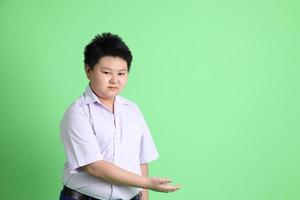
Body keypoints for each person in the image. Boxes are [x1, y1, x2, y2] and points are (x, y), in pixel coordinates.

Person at [59, 33, 181, 200]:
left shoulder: (132, 110)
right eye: (107, 72)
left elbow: (141, 159)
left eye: (122, 74)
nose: (115, 80)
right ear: (88, 70)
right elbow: (94, 167)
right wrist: (148, 183)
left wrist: (144, 196)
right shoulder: (78, 112)